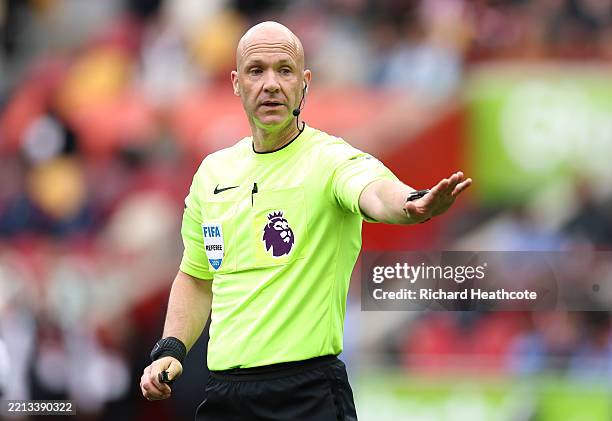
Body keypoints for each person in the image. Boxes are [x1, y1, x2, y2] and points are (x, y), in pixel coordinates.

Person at [139, 21, 472, 420]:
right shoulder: (213, 173)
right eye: (256, 70)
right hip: (226, 395)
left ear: (305, 82)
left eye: (285, 70)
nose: (271, 84)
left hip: (306, 395)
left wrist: (412, 202)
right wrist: (171, 348)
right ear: (235, 82)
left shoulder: (330, 160)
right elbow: (196, 277)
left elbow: (376, 192)